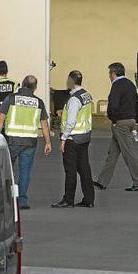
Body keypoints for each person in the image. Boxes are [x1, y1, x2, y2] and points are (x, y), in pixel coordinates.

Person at [0, 75, 52, 209]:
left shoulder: (11, 98)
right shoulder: (38, 102)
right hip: (30, 142)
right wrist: (48, 142)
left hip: (12, 140)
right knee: (25, 172)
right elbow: (44, 124)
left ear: (22, 84)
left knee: (7, 170)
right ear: (35, 88)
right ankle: (22, 201)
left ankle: (5, 199)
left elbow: (1, 119)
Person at [94, 62, 138, 192]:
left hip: (120, 123)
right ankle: (102, 181)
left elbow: (113, 105)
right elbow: (137, 103)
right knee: (113, 153)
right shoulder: (130, 84)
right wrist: (136, 120)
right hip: (130, 120)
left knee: (129, 153)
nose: (109, 77)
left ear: (113, 74)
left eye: (109, 74)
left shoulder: (116, 86)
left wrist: (113, 119)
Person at [52, 70, 95, 209]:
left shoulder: (74, 99)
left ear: (70, 81)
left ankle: (68, 199)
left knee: (70, 170)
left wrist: (63, 138)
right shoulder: (86, 95)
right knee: (84, 168)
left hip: (72, 138)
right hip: (84, 136)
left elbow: (71, 121)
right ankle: (89, 199)